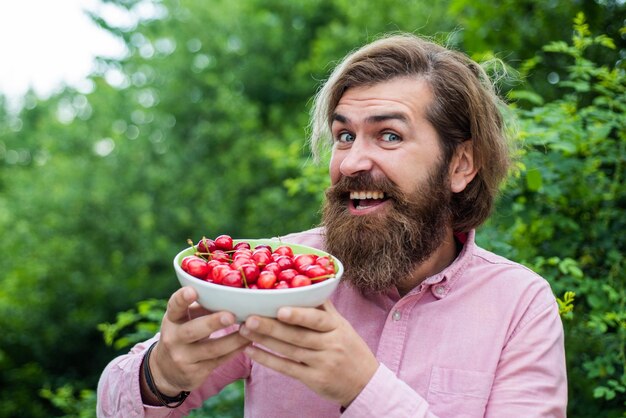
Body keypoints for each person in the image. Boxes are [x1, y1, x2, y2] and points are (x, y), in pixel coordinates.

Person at [97, 33, 568, 417]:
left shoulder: (519, 307)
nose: (352, 161)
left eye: (389, 135)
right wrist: (160, 379)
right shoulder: (280, 273)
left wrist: (363, 388)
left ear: (461, 164)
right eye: (345, 136)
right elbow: (117, 406)